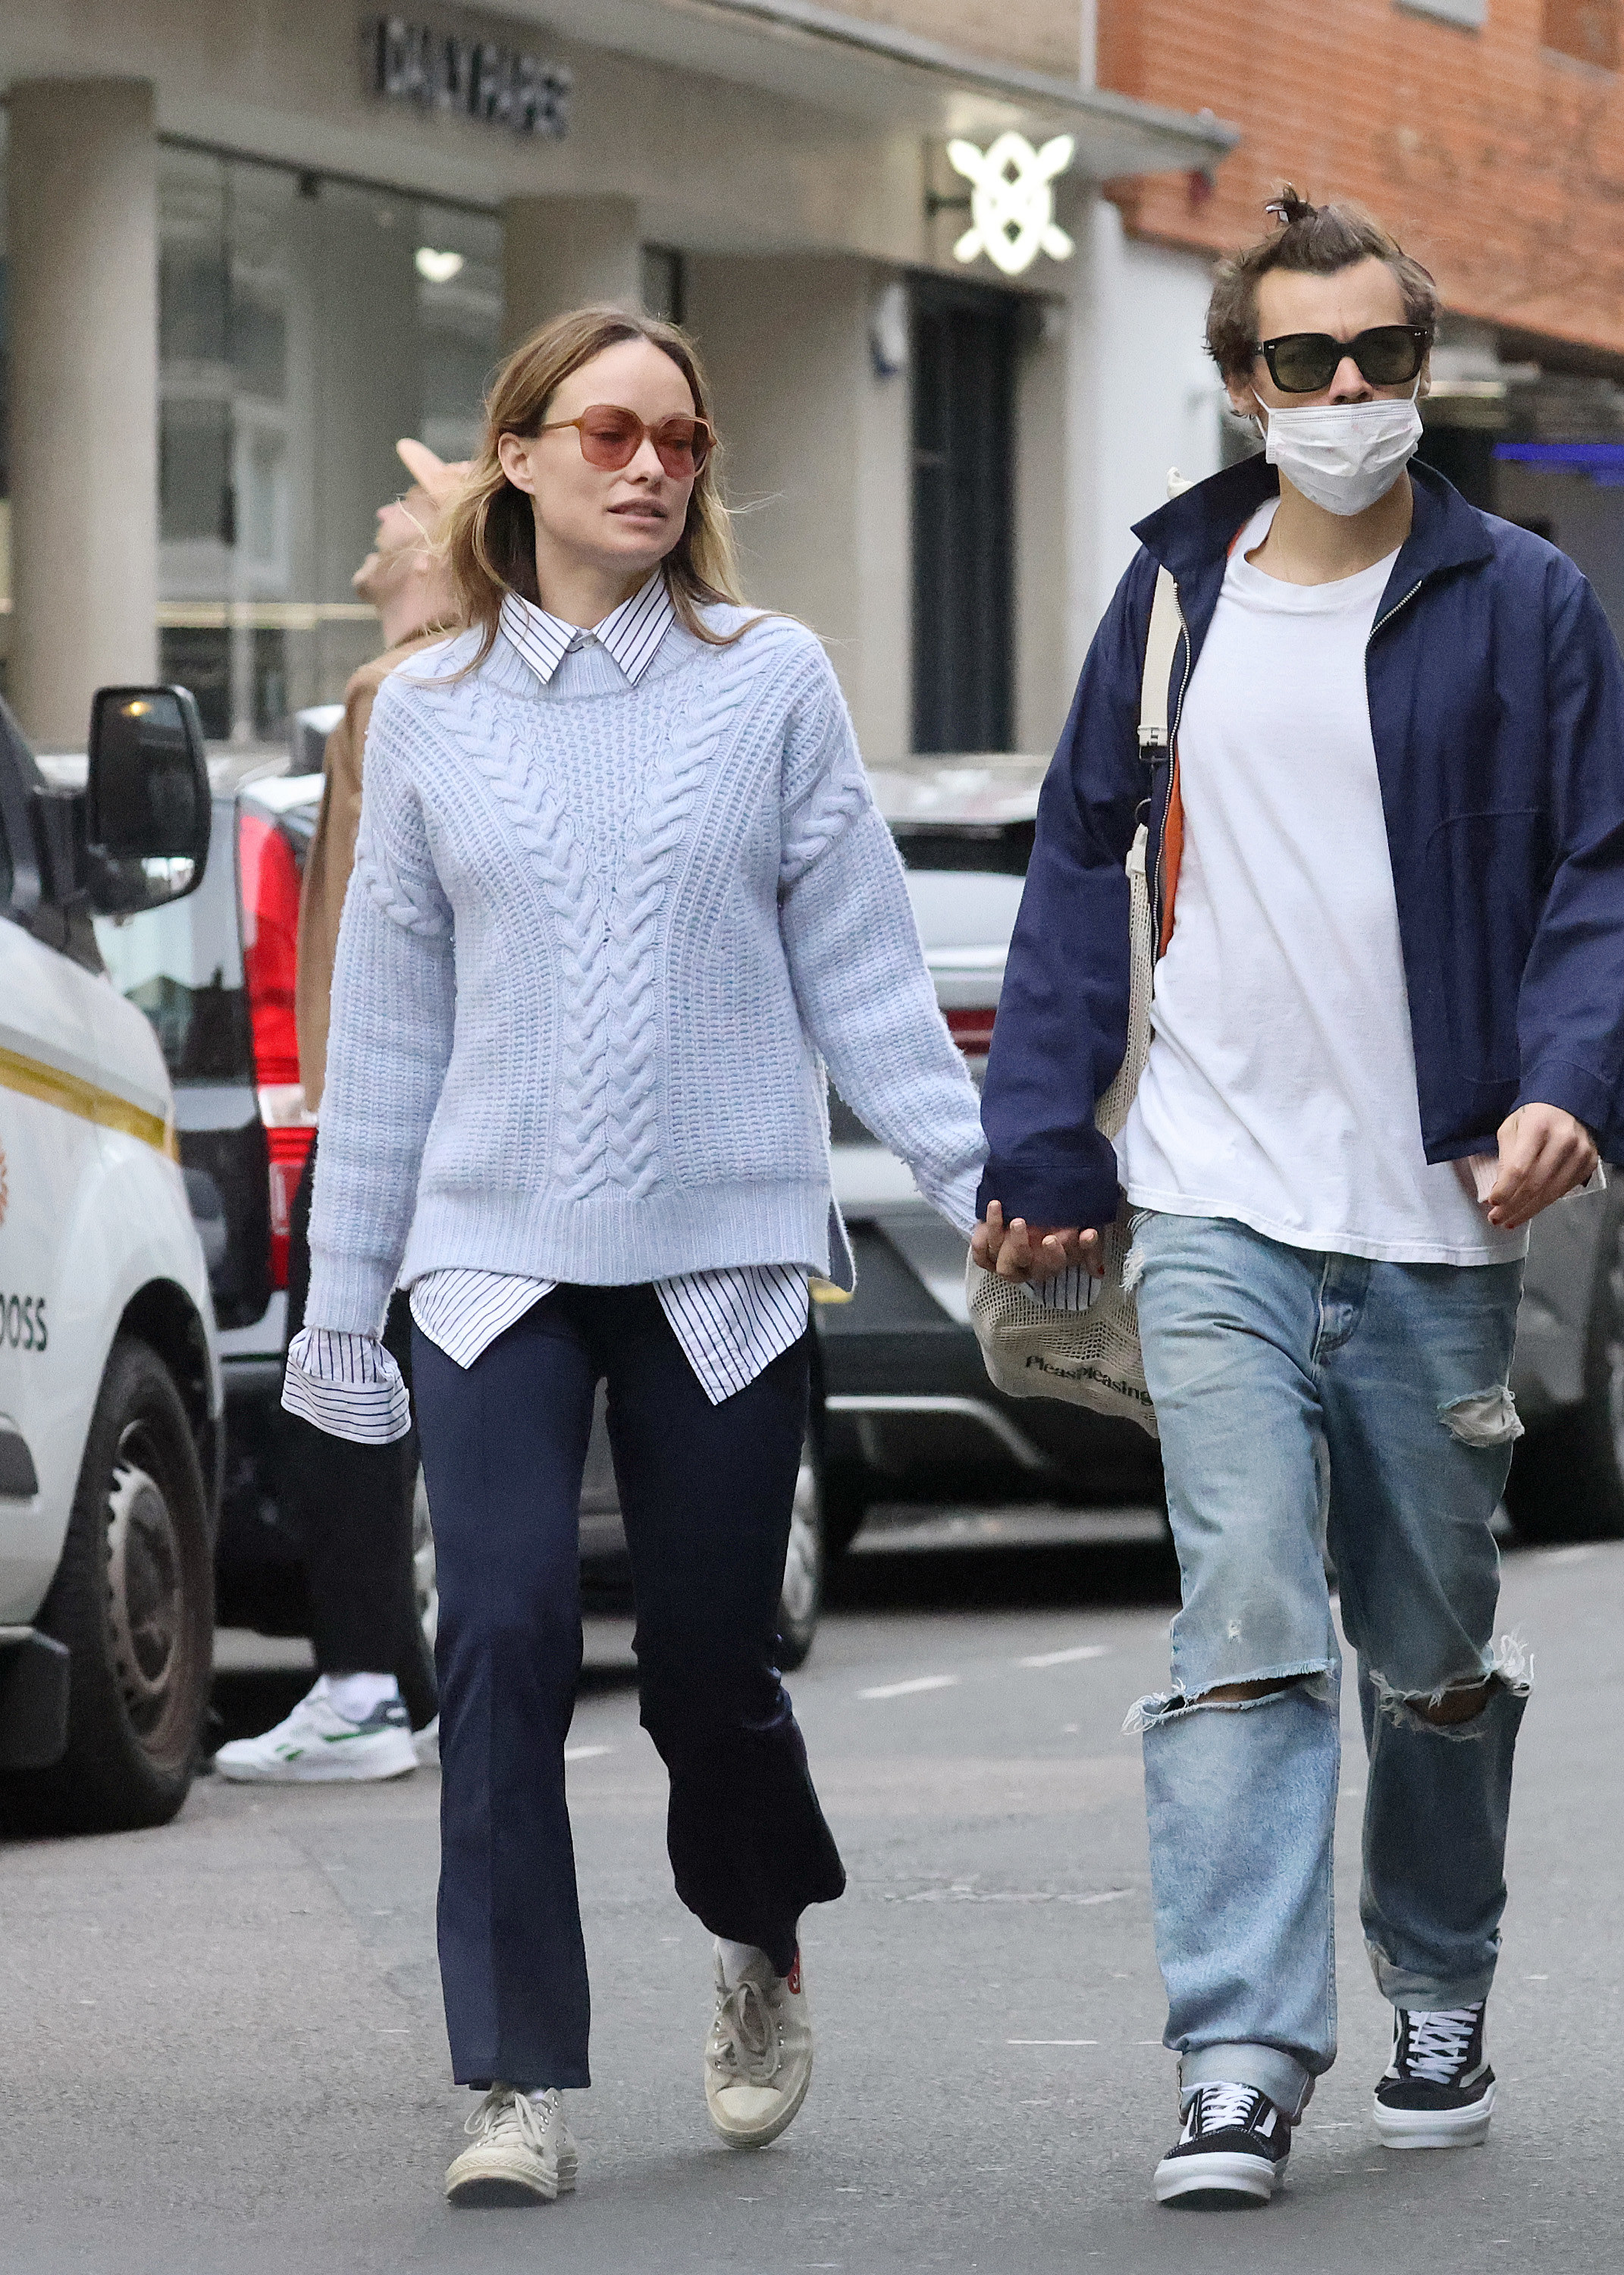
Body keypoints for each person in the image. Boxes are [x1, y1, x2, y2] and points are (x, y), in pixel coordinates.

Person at [971, 190, 1624, 2208]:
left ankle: (1438, 1972)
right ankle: (1241, 2051)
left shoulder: (1522, 601)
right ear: (1240, 386)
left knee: (1429, 1649)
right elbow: (1074, 874)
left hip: (1436, 1216)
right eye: (1308, 362)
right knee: (1247, 1618)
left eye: (1382, 358)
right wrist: (1044, 1147)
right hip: (1212, 1200)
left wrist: (1564, 1089)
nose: (1350, 392)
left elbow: (1613, 862)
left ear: (1421, 373)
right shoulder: (1173, 603)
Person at [281, 306, 986, 2203]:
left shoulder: (772, 681)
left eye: (680, 439)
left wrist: (985, 1175)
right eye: (608, 434)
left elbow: (860, 967)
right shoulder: (423, 717)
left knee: (702, 1666)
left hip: (727, 1248)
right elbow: (390, 1039)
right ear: (517, 458)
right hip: (489, 1251)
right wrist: (343, 1302)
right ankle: (512, 2075)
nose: (652, 468)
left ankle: (760, 1934)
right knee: (499, 1634)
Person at [215, 439, 469, 1785]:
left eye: (408, 499)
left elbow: (384, 929)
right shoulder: (453, 676)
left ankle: (366, 1682)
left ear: (443, 544)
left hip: (393, 1107)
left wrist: (348, 1107)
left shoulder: (401, 686)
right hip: (440, 1106)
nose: (378, 514)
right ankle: (411, 1684)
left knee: (343, 1385)